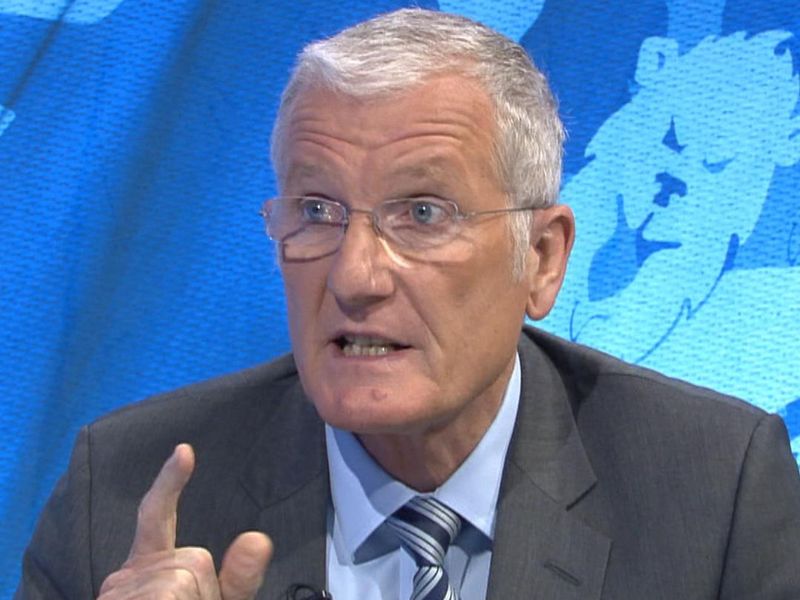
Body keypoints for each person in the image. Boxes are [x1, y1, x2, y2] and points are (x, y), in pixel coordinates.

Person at [16, 8, 800, 600]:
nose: (355, 276)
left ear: (541, 258)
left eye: (423, 213)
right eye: (316, 211)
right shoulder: (119, 498)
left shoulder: (714, 493)